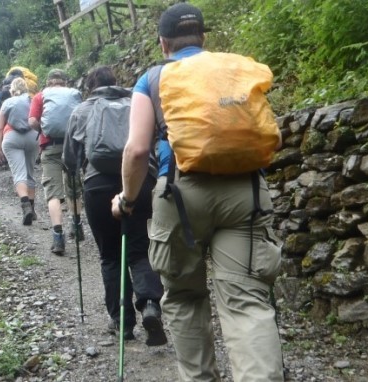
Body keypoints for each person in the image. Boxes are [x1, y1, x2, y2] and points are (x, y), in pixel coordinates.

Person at [112, 3, 284, 380]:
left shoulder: (153, 78)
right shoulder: (235, 68)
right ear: (203, 38)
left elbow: (138, 149)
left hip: (179, 195)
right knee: (246, 303)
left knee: (185, 298)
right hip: (246, 193)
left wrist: (126, 199)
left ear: (163, 43)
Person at [63, 65, 167, 346]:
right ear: (116, 83)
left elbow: (70, 162)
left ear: (90, 88)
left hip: (97, 187)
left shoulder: (81, 112)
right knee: (140, 248)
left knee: (110, 255)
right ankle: (149, 305)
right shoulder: (136, 102)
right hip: (139, 180)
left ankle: (121, 322)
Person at [29, 68, 83, 255]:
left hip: (50, 146)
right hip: (72, 146)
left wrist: (43, 129)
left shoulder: (40, 96)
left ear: (49, 82)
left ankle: (58, 237)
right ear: (64, 82)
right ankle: (77, 226)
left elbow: (32, 121)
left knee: (53, 193)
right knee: (74, 188)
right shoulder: (74, 94)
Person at [0, 77, 38, 225]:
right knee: (30, 172)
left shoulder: (7, 103)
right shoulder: (32, 100)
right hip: (32, 136)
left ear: (12, 90)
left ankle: (25, 206)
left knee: (19, 174)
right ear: (26, 88)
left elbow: (0, 128)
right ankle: (32, 210)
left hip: (12, 138)